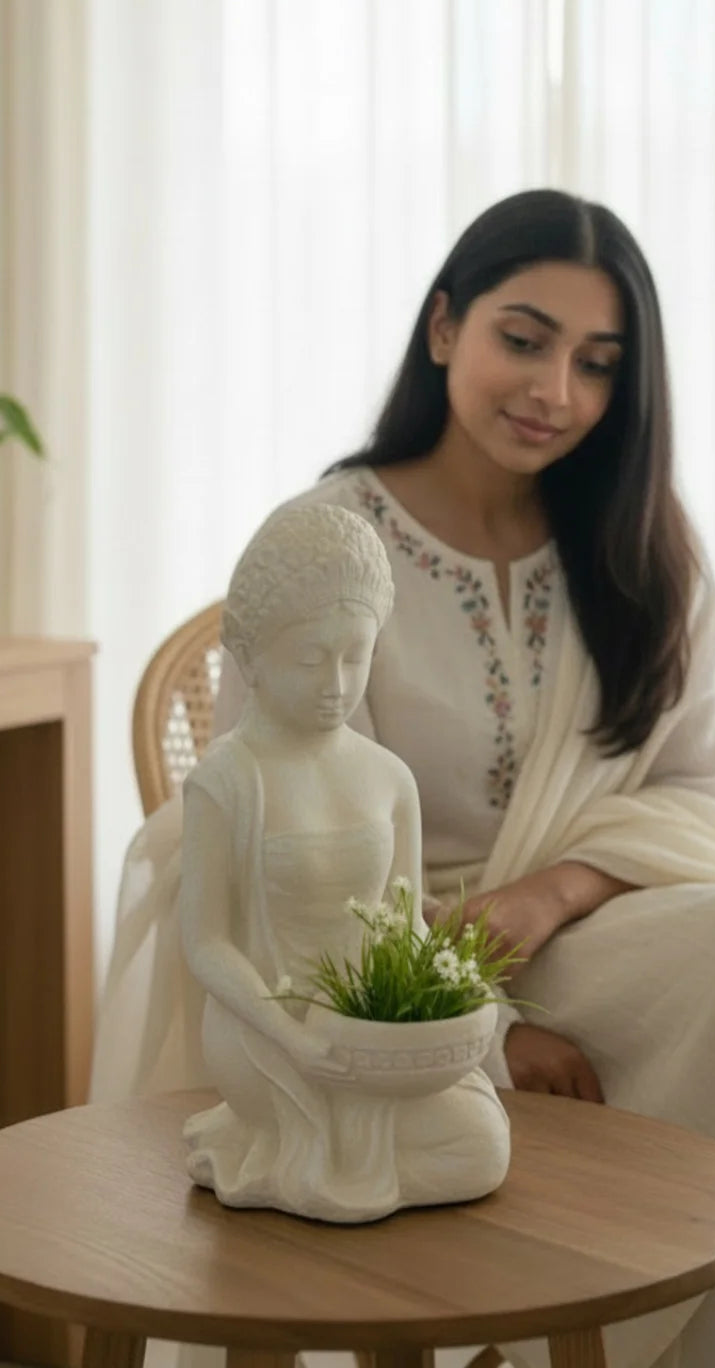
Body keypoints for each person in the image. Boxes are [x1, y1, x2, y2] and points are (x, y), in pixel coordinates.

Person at [92, 189, 715, 1368]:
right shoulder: (328, 540)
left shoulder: (642, 548)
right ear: (445, 326)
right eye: (524, 337)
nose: (555, 389)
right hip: (364, 973)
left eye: (597, 362)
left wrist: (547, 895)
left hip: (608, 934)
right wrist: (475, 1022)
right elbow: (260, 852)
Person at [181, 501, 509, 1221]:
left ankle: (351, 1160)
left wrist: (446, 1004)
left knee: (484, 1146)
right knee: (400, 1154)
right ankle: (319, 1155)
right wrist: (293, 1036)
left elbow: (404, 925)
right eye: (310, 658)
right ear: (252, 656)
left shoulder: (388, 778)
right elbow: (205, 944)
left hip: (369, 1030)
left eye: (355, 656)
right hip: (266, 1038)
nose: (336, 682)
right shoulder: (228, 782)